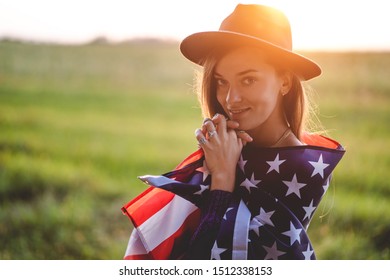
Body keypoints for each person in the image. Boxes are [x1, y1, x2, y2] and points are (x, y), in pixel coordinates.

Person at [122, 4, 345, 260]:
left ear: (284, 81)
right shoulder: (226, 145)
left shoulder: (301, 169)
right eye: (221, 81)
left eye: (248, 79)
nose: (231, 98)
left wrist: (223, 179)